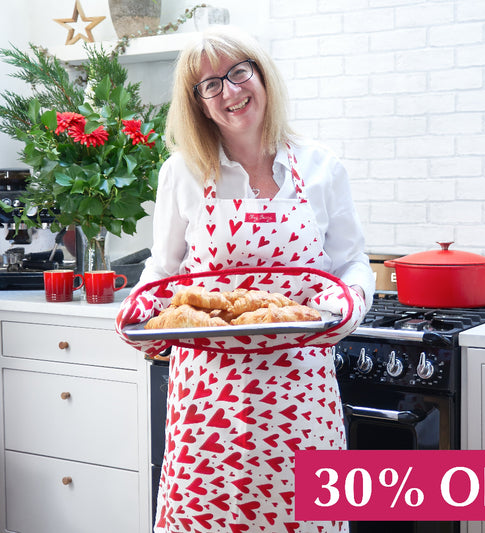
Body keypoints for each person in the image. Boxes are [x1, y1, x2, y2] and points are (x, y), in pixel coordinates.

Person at [132, 25, 375, 533]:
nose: (230, 91)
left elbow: (353, 261)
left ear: (262, 75)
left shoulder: (321, 167)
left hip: (299, 384)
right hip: (209, 392)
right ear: (197, 102)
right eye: (211, 85)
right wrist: (138, 310)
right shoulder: (182, 171)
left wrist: (351, 300)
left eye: (238, 72)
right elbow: (164, 267)